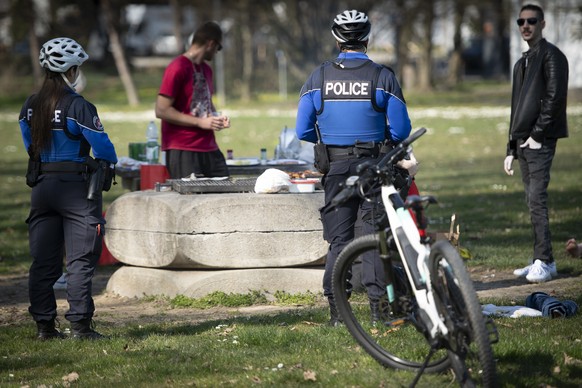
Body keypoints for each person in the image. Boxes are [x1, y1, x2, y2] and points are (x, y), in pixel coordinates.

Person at [296, 10, 414, 326]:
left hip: (335, 168)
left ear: (336, 38)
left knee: (339, 241)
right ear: (367, 38)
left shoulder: (318, 78)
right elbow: (402, 131)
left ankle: (337, 313)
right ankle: (378, 311)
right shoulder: (382, 77)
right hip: (374, 167)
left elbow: (302, 130)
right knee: (374, 236)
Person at [19, 37, 117, 339]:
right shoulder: (78, 106)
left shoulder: (30, 106)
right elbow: (104, 150)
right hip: (76, 190)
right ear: (71, 70)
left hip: (43, 189)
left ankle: (44, 327)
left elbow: (29, 145)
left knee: (44, 262)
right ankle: (80, 326)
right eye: (79, 67)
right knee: (80, 260)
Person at [504, 4, 569, 283]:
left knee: (537, 200)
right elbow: (516, 107)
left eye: (531, 21)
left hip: (539, 141)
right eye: (521, 21)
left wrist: (537, 136)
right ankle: (541, 259)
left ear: (542, 23)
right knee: (532, 202)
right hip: (523, 141)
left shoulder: (551, 56)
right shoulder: (523, 62)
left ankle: (544, 261)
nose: (525, 25)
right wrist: (511, 147)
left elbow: (554, 99)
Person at [155, 21, 230, 179]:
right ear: (211, 43)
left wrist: (216, 117)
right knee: (190, 201)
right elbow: (161, 110)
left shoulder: (207, 70)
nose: (217, 53)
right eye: (219, 47)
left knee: (225, 193)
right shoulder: (177, 67)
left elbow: (205, 102)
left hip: (209, 147)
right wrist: (200, 122)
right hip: (183, 148)